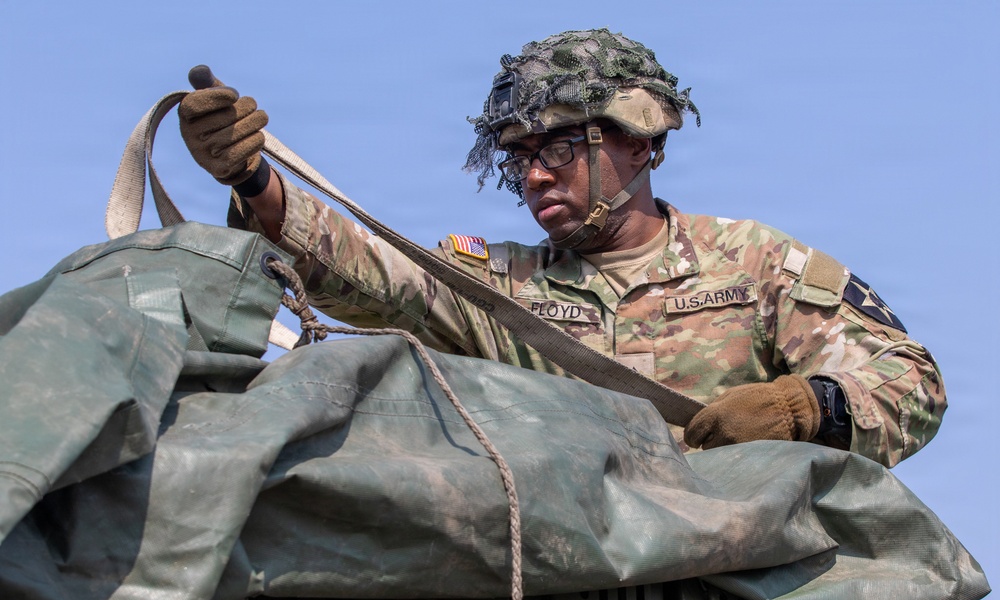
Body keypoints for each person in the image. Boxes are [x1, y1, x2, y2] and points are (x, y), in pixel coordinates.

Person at [178, 28, 945, 468]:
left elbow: (911, 381)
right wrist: (254, 181)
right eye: (519, 157)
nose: (535, 174)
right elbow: (373, 270)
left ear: (639, 141)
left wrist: (806, 407)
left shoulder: (757, 265)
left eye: (560, 146)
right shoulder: (496, 287)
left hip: (740, 591)